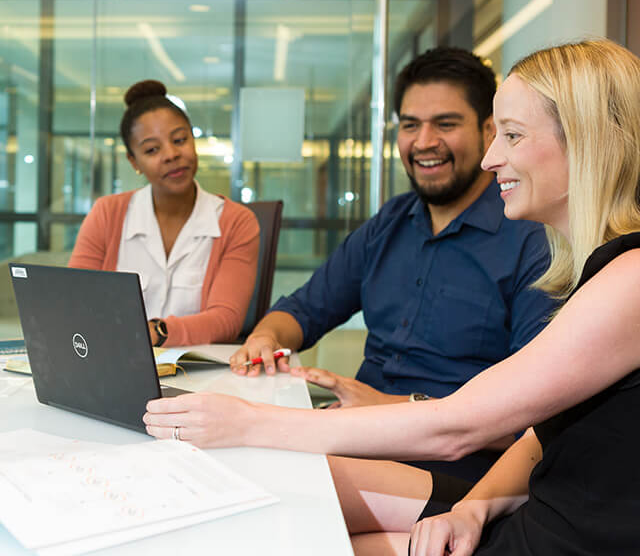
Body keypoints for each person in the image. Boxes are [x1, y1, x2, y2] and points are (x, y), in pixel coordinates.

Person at [145, 38, 640, 555]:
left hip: (519, 502)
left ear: (590, 141)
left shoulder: (623, 276)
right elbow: (544, 426)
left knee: (279, 512)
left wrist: (248, 422)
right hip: (519, 498)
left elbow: (467, 426)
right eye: (410, 124)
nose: (495, 159)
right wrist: (476, 507)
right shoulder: (594, 267)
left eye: (512, 135)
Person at [230, 47, 556, 481]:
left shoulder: (532, 241)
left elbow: (530, 417)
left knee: (271, 491)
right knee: (229, 465)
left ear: (488, 131)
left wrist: (388, 407)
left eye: (445, 123)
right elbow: (306, 309)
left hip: (452, 463)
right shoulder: (390, 222)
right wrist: (266, 337)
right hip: (356, 435)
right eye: (410, 125)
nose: (424, 142)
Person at [69, 79, 259, 347]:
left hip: (197, 372)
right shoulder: (107, 214)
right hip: (116, 362)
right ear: (134, 162)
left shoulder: (236, 222)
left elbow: (226, 319)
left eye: (180, 140)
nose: (171, 154)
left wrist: (156, 332)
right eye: (152, 149)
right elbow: (75, 301)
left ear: (193, 140)